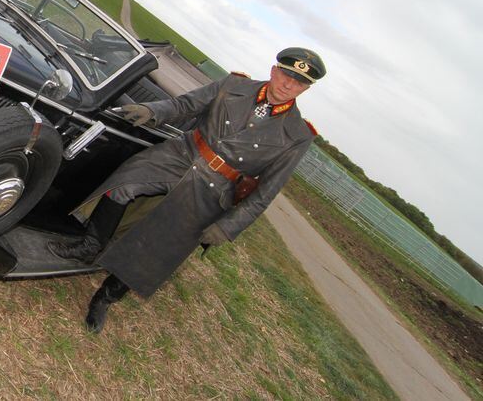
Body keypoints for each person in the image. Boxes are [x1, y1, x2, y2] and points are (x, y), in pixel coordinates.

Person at [49, 47, 326, 333]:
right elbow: (185, 105)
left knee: (163, 244)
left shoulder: (298, 135)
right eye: (286, 74)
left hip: (216, 186)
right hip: (182, 154)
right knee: (125, 184)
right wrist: (152, 110)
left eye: (299, 82)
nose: (289, 85)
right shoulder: (234, 85)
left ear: (306, 89)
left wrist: (228, 227)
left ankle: (106, 297)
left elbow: (266, 193)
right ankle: (89, 246)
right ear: (273, 70)